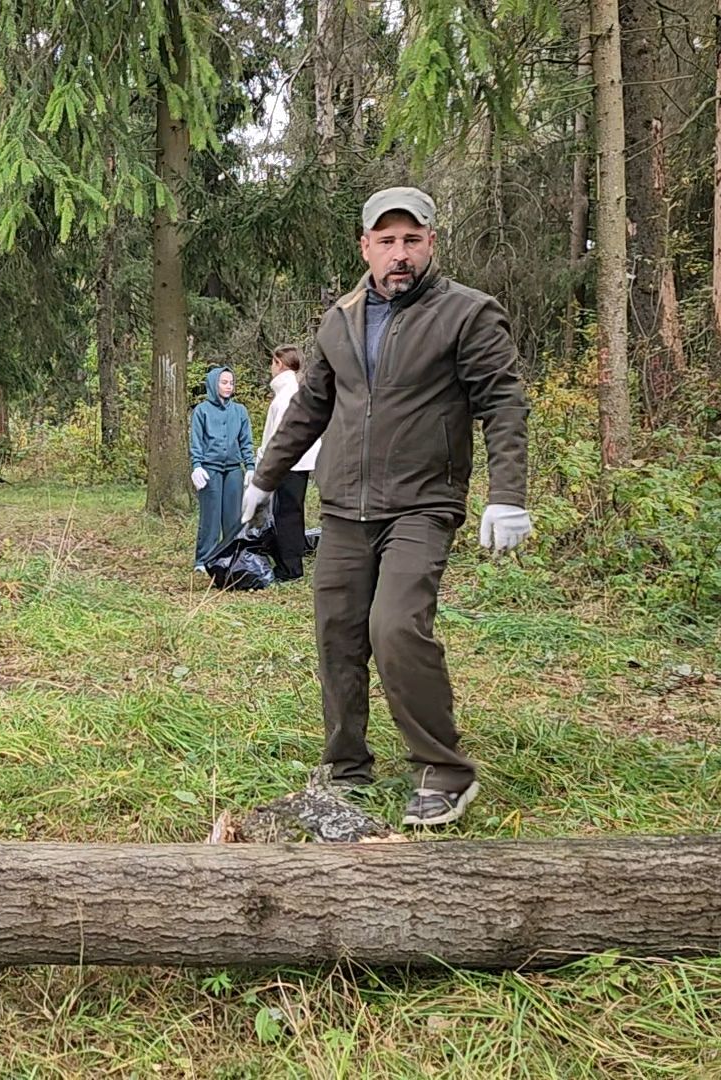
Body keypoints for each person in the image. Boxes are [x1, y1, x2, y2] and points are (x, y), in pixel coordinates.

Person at [243, 186, 531, 828]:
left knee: (396, 627)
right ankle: (346, 767)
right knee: (338, 634)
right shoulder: (340, 319)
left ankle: (444, 769)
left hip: (422, 503)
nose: (400, 254)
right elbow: (311, 407)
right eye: (387, 241)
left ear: (431, 243)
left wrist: (507, 496)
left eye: (412, 240)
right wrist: (263, 479)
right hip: (344, 506)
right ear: (365, 246)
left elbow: (503, 404)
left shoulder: (467, 314)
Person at [258, 345, 322, 582]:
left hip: (289, 462)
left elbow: (280, 435)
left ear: (280, 364)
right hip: (301, 460)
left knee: (286, 514)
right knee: (293, 512)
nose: (271, 368)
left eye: (272, 362)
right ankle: (292, 562)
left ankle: (290, 568)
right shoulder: (296, 390)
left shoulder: (286, 396)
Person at [189, 365, 254, 572]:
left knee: (233, 517)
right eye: (224, 382)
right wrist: (196, 465)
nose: (228, 386)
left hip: (234, 469)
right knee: (211, 516)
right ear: (213, 384)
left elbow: (245, 441)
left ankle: (230, 556)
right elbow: (196, 441)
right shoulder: (202, 411)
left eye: (231, 383)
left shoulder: (240, 411)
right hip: (210, 469)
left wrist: (250, 466)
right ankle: (204, 560)